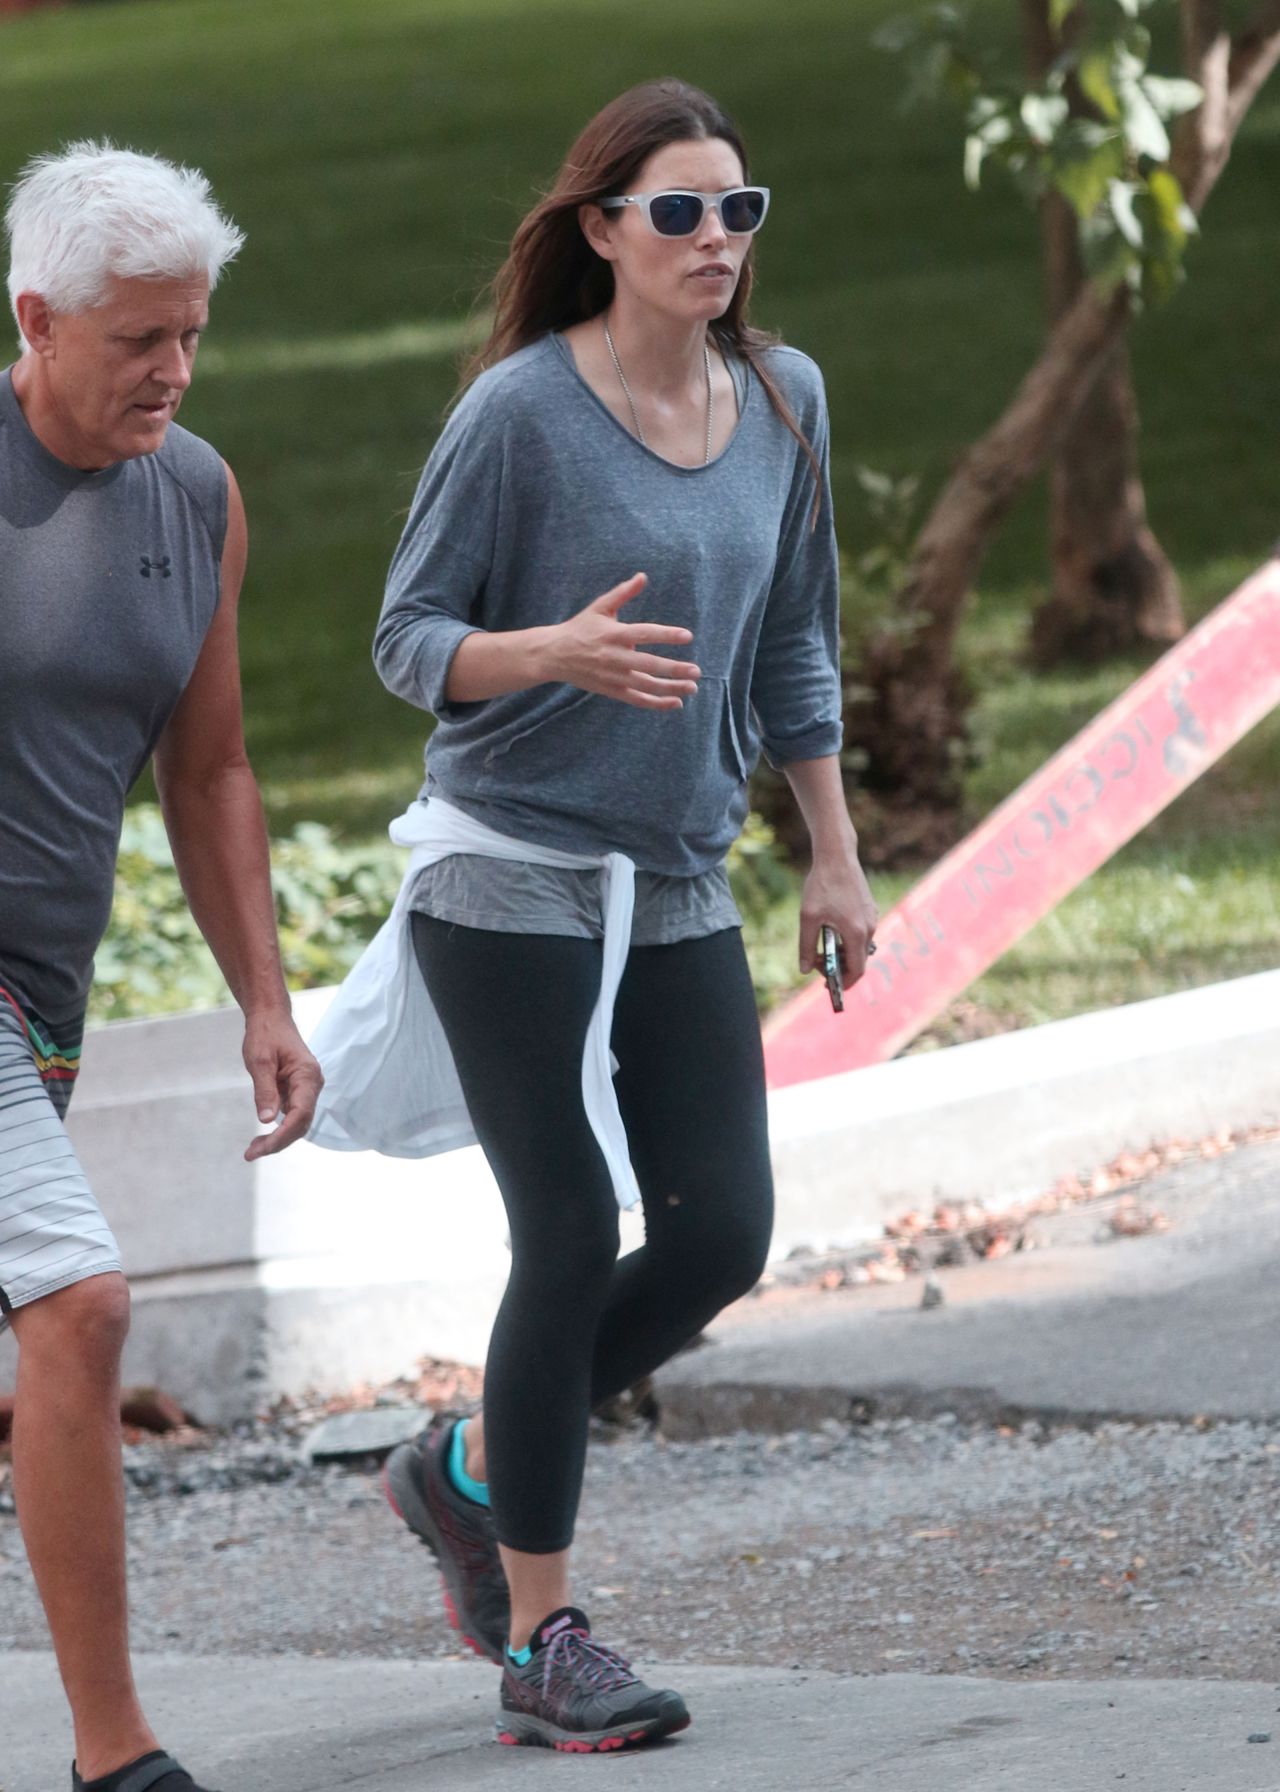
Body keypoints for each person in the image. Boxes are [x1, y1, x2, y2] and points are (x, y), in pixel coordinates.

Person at [311, 76, 877, 1753]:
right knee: (565, 1231)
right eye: (681, 212)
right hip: (508, 870)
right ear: (601, 232)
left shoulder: (785, 400)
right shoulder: (518, 417)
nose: (718, 240)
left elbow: (792, 651)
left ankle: (469, 1464)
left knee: (720, 1236)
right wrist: (543, 651)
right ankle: (544, 1634)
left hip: (682, 874)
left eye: (739, 211)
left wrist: (834, 855)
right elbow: (409, 639)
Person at [0, 143, 322, 1792]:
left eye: (191, 334)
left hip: (44, 1008)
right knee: (84, 1303)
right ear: (37, 319)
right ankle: (114, 1751)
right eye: (141, 339)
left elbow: (210, 770)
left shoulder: (194, 494)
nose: (176, 371)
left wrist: (264, 995)